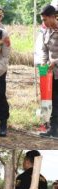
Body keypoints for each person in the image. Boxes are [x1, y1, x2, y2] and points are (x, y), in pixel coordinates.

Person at [39, 5, 58, 137]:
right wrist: (44, 61)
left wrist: (55, 61)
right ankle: (54, 130)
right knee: (53, 101)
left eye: (45, 19)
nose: (44, 22)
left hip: (55, 67)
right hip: (52, 73)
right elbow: (44, 50)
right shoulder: (46, 31)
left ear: (52, 17)